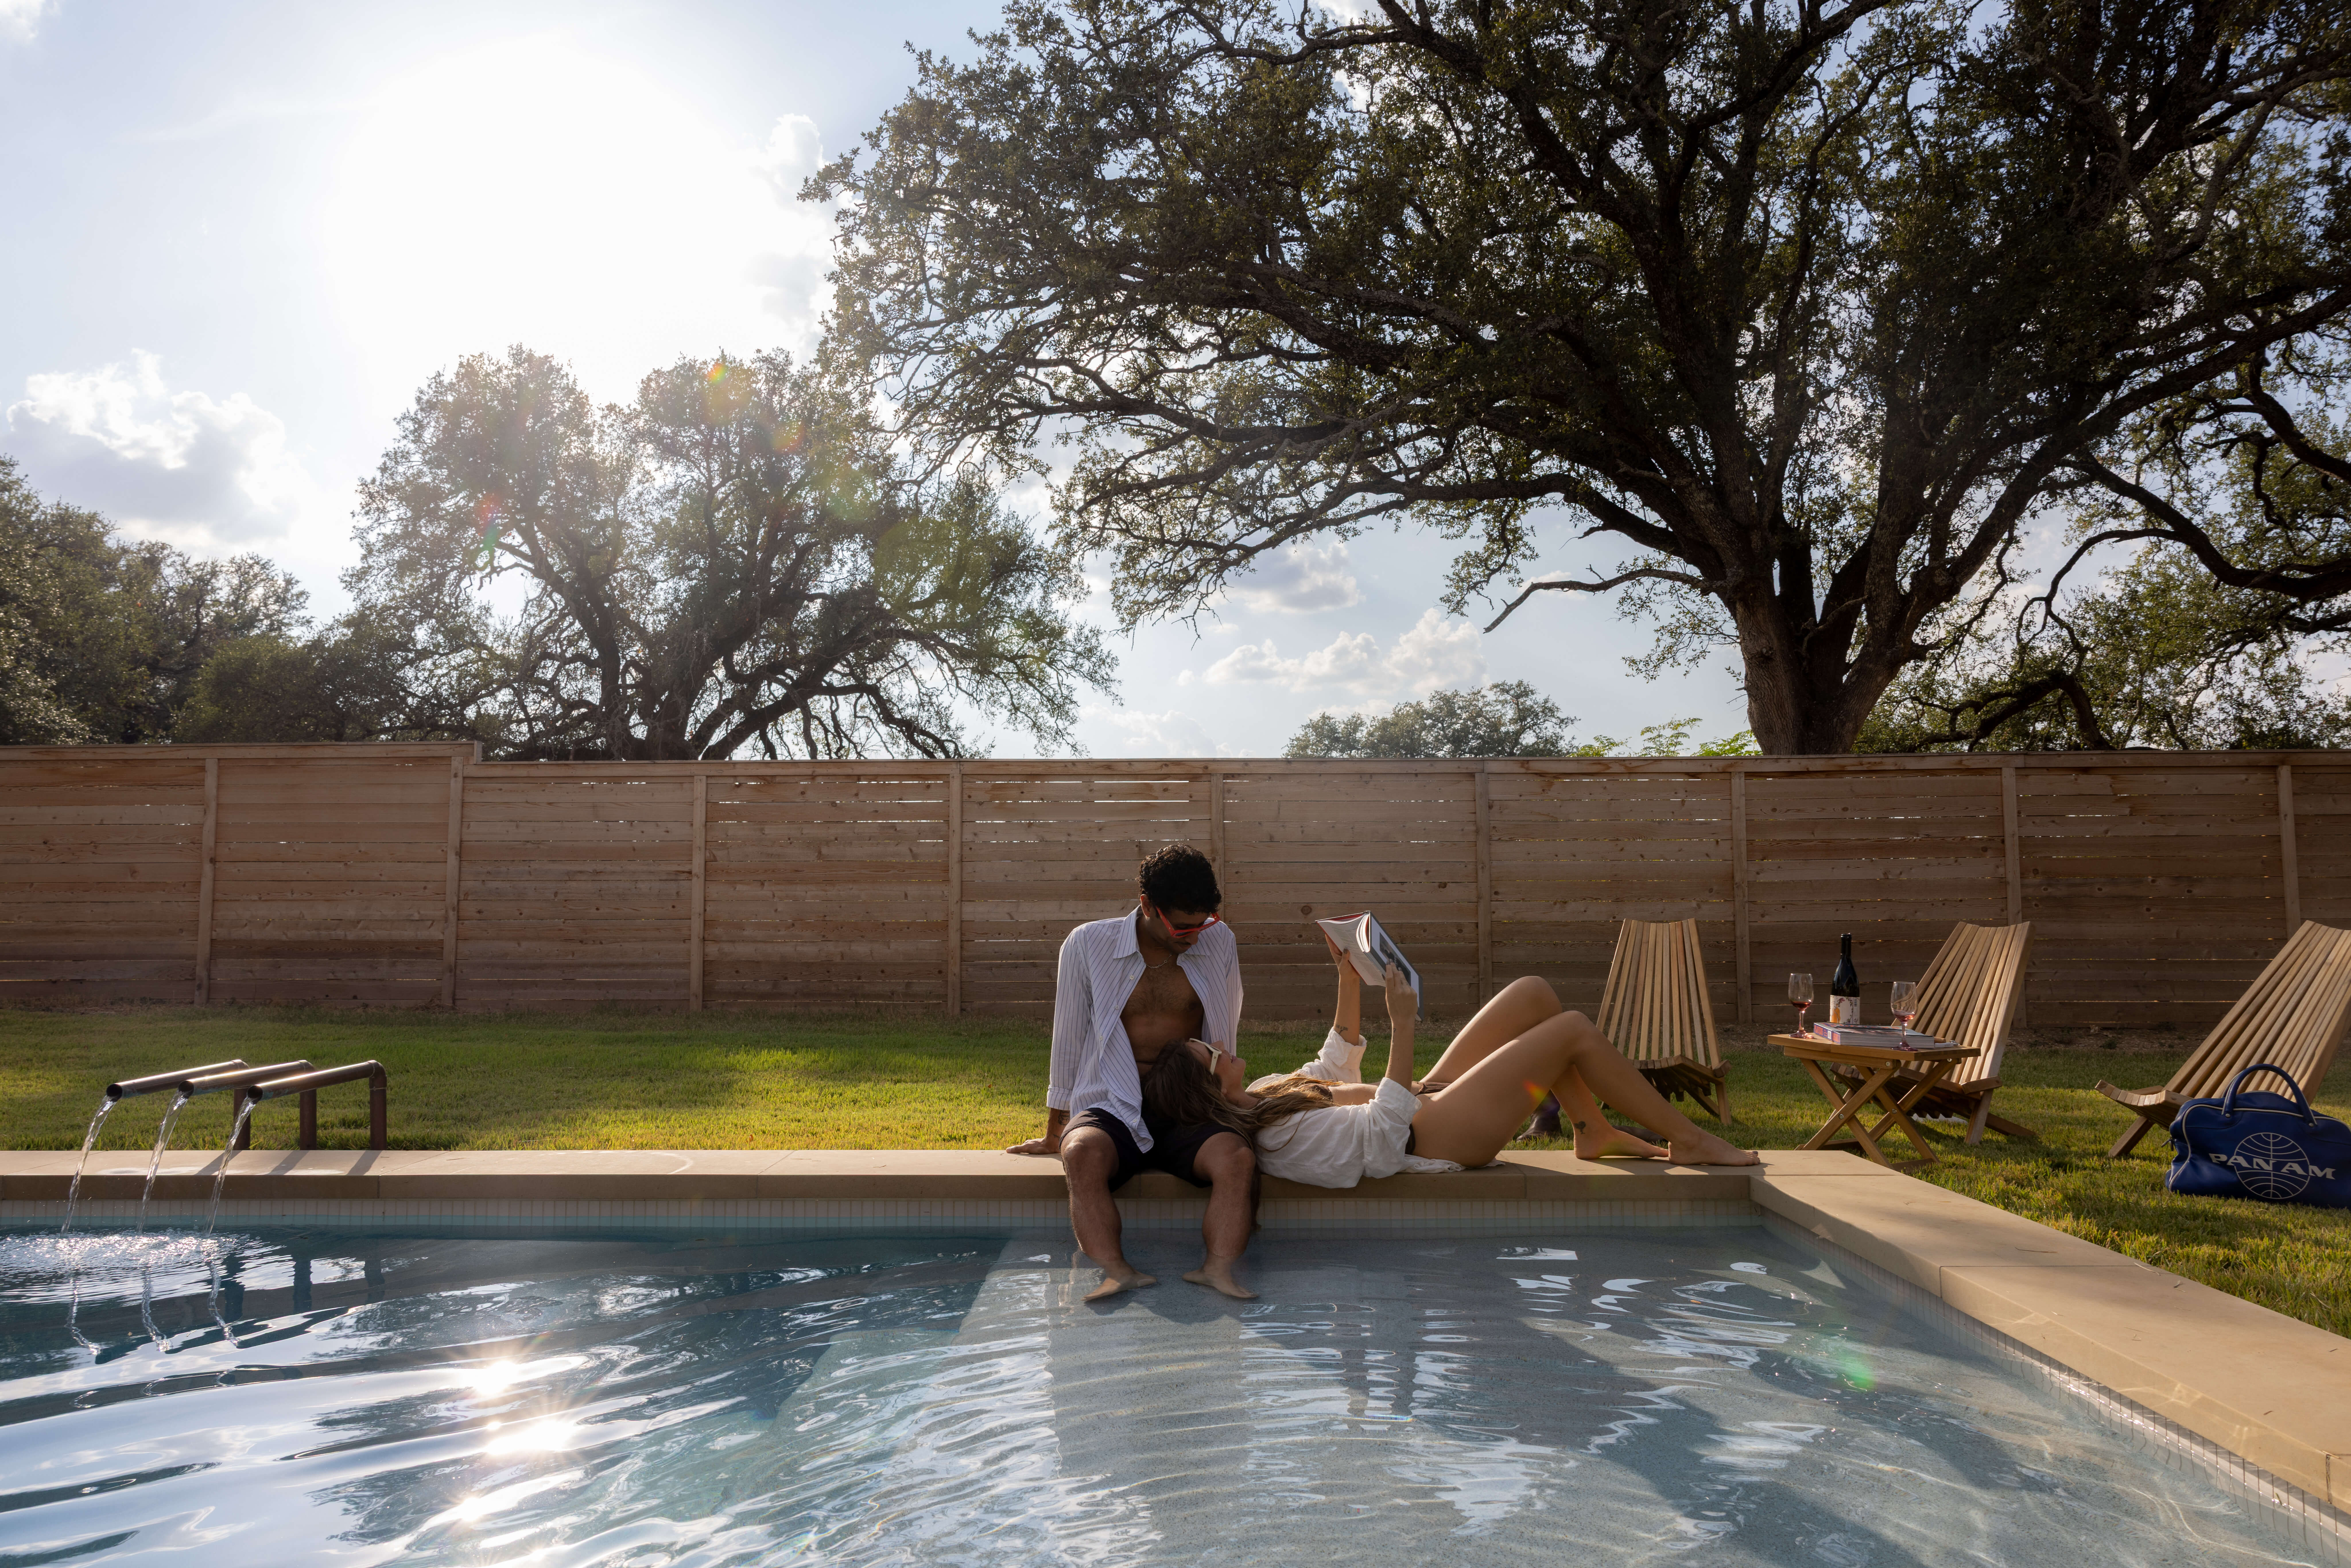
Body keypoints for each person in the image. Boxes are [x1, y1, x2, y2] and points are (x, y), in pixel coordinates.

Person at [1145, 934, 1758, 1188]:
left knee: (1535, 993)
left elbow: (1335, 1057)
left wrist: (1348, 975)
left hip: (1424, 1098)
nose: (1223, 1048)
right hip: (1434, 1133)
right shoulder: (1277, 1141)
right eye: (1212, 1056)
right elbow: (1385, 1137)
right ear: (1210, 1092)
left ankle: (1591, 1129)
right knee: (1569, 1029)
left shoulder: (1268, 1089)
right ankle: (1688, 1139)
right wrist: (1404, 1023)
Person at [1007, 844, 1258, 1301]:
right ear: (1146, 906)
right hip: (1112, 1097)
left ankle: (1218, 1270)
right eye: (1183, 926)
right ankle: (1116, 1270)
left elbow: (1225, 1029)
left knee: (1237, 1161)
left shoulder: (1219, 941)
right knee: (1081, 1155)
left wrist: (1228, 1097)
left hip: (1187, 1101)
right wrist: (1054, 1131)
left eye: (1204, 923)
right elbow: (1067, 1038)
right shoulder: (1088, 945)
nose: (1195, 936)